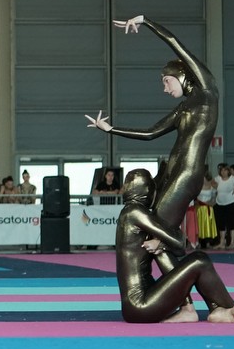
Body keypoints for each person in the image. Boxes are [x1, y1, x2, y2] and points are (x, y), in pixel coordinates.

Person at [86, 15, 217, 272]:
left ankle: (188, 285)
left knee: (159, 235)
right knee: (154, 238)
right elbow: (150, 133)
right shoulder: (182, 108)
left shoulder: (207, 91)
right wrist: (111, 129)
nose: (165, 89)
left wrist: (145, 21)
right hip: (173, 173)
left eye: (166, 81)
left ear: (182, 74)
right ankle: (182, 289)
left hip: (187, 174)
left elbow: (176, 44)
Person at [114, 169, 234, 324]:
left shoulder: (131, 213)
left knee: (162, 251)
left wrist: (161, 244)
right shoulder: (133, 212)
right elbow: (179, 242)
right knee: (199, 260)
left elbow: (178, 246)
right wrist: (162, 242)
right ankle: (229, 308)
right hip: (140, 306)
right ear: (147, 191)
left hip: (142, 303)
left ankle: (199, 309)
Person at [213, 163, 234, 249]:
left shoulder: (233, 179)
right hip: (220, 204)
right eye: (221, 170)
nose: (223, 172)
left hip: (230, 203)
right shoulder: (218, 178)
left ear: (228, 171)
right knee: (221, 223)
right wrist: (216, 187)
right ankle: (222, 243)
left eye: (225, 170)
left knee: (232, 222)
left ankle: (232, 243)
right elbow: (211, 182)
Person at [195, 174, 217, 248]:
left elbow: (214, 198)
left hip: (208, 209)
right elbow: (194, 198)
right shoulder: (198, 187)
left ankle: (208, 242)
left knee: (208, 225)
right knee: (199, 225)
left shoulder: (212, 187)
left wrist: (211, 203)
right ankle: (199, 242)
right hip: (200, 209)